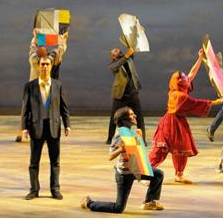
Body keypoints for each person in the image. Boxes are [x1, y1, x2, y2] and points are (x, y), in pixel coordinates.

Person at [149, 49, 223, 184]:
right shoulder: (179, 95)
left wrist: (200, 58)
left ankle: (179, 174)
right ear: (178, 82)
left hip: (179, 122)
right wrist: (213, 102)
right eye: (183, 77)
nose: (186, 78)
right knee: (160, 150)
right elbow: (194, 103)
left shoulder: (179, 88)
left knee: (181, 149)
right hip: (170, 123)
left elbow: (192, 74)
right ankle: (145, 173)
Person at [81, 106, 164, 213]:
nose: (135, 116)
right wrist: (121, 148)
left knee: (158, 174)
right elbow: (110, 156)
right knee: (118, 208)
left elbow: (136, 152)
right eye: (131, 114)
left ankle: (149, 202)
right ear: (124, 119)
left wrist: (139, 138)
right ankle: (89, 203)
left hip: (135, 169)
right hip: (124, 174)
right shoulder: (119, 135)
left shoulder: (130, 132)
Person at [21, 56, 71, 200]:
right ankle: (34, 190)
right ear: (38, 66)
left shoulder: (58, 85)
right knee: (33, 162)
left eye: (47, 64)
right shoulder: (30, 86)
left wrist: (67, 124)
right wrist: (24, 127)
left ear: (51, 66)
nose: (44, 67)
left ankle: (55, 189)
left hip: (53, 128)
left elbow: (63, 107)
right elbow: (26, 108)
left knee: (55, 161)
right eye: (42, 64)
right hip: (36, 128)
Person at [15, 29, 68, 142]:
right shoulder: (48, 60)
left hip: (35, 89)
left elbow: (33, 48)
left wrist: (35, 37)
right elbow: (59, 50)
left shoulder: (34, 59)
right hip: (40, 89)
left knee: (27, 110)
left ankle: (24, 133)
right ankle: (36, 133)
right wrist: (63, 41)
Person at [106, 47, 146, 145]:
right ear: (113, 57)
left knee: (139, 117)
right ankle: (110, 138)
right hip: (120, 94)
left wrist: (130, 47)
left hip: (132, 93)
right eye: (114, 51)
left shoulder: (128, 59)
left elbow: (131, 50)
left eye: (117, 49)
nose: (117, 50)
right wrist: (127, 55)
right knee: (114, 117)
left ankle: (143, 139)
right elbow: (117, 65)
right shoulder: (113, 64)